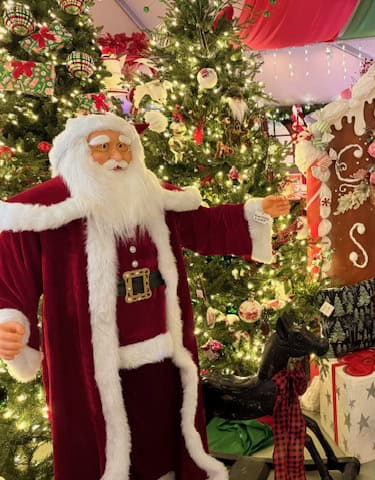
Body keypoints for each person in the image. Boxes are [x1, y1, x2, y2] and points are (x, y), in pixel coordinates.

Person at [0, 113, 291, 480]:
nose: (117, 155)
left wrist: (254, 212)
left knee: (160, 437)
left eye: (123, 145)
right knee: (97, 444)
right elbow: (12, 273)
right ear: (77, 154)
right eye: (103, 147)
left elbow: (204, 225)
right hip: (87, 357)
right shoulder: (43, 210)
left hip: (160, 349)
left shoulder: (153, 196)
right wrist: (12, 321)